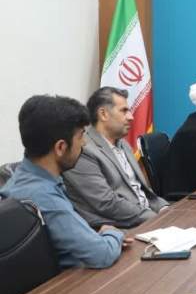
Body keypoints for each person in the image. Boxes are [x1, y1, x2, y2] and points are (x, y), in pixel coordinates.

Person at [0, 95, 126, 269]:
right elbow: (102, 255)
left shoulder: (20, 176)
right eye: (81, 136)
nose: (84, 143)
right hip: (68, 281)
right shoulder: (44, 196)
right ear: (60, 147)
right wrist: (112, 233)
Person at [63, 87, 168, 229]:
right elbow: (106, 203)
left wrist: (164, 209)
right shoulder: (83, 150)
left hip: (148, 217)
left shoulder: (122, 143)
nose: (131, 117)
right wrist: (155, 218)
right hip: (122, 228)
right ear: (103, 114)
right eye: (124, 111)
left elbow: (144, 191)